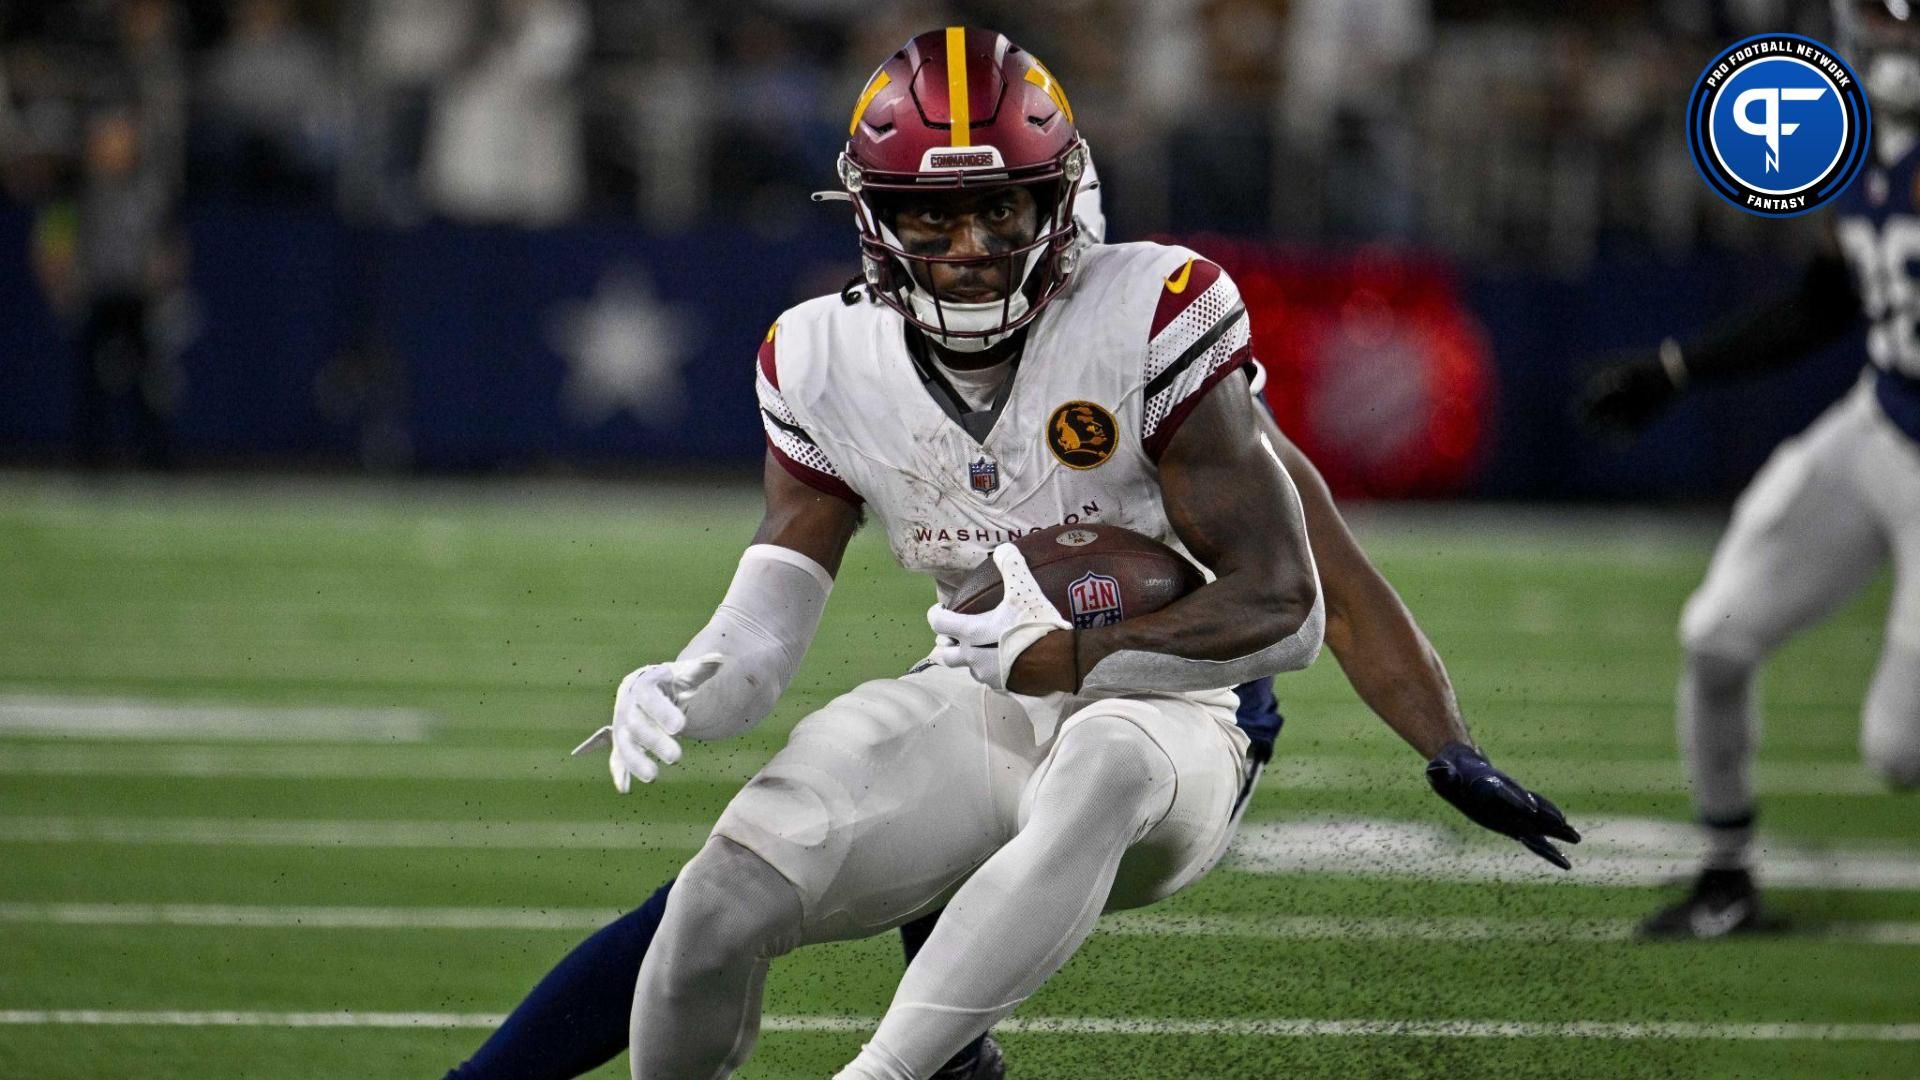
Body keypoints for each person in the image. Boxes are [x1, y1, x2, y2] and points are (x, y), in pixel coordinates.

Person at [455, 28, 1577, 1080]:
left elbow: (1292, 602)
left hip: (1179, 711)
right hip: (984, 686)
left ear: (1061, 200)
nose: (970, 250)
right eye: (932, 220)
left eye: (1000, 211)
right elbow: (774, 608)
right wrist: (690, 682)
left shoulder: (1149, 315)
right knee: (719, 894)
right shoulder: (821, 355)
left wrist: (1442, 744)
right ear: (871, 216)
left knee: (1106, 763)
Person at [1577, 0, 1920, 942]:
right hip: (1884, 423)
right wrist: (1676, 369)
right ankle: (1726, 877)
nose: (1892, 46)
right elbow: (1826, 302)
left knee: (1899, 753)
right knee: (1716, 637)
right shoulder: (1857, 147)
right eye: (1883, 25)